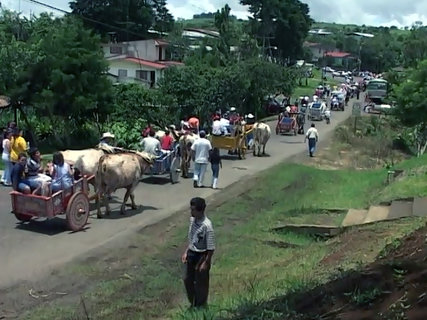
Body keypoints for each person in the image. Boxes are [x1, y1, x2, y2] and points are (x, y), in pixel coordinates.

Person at [181, 197, 215, 308]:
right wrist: (186, 251)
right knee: (187, 279)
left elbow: (210, 247)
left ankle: (201, 305)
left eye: (193, 210)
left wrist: (206, 262)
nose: (191, 212)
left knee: (201, 282)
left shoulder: (207, 226)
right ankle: (193, 302)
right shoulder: (192, 220)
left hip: (202, 255)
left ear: (200, 210)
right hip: (192, 253)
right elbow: (192, 238)